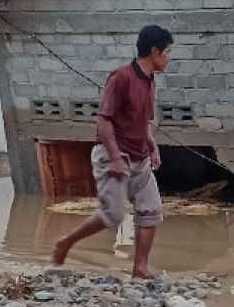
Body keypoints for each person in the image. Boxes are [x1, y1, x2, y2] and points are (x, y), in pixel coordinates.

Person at [52, 25, 172, 277]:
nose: (168, 57)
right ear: (154, 52)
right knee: (113, 214)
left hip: (139, 156)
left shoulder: (150, 81)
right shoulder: (121, 77)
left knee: (151, 211)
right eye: (167, 52)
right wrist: (116, 158)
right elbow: (104, 121)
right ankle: (65, 242)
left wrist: (153, 148)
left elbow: (142, 122)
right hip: (114, 155)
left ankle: (139, 268)